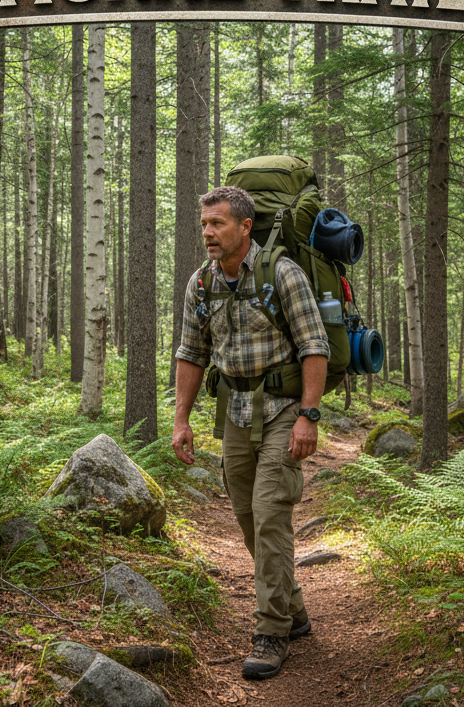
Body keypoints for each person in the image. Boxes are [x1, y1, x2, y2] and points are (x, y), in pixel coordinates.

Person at [171, 185, 329, 681]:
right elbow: (191, 354)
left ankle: (271, 631)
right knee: (244, 515)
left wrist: (309, 415)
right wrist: (181, 419)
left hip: (284, 408)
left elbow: (314, 345)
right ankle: (294, 610)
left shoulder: (282, 273)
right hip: (235, 412)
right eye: (204, 225)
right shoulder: (201, 284)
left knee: (269, 513)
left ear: (244, 227)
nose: (208, 234)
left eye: (217, 224)